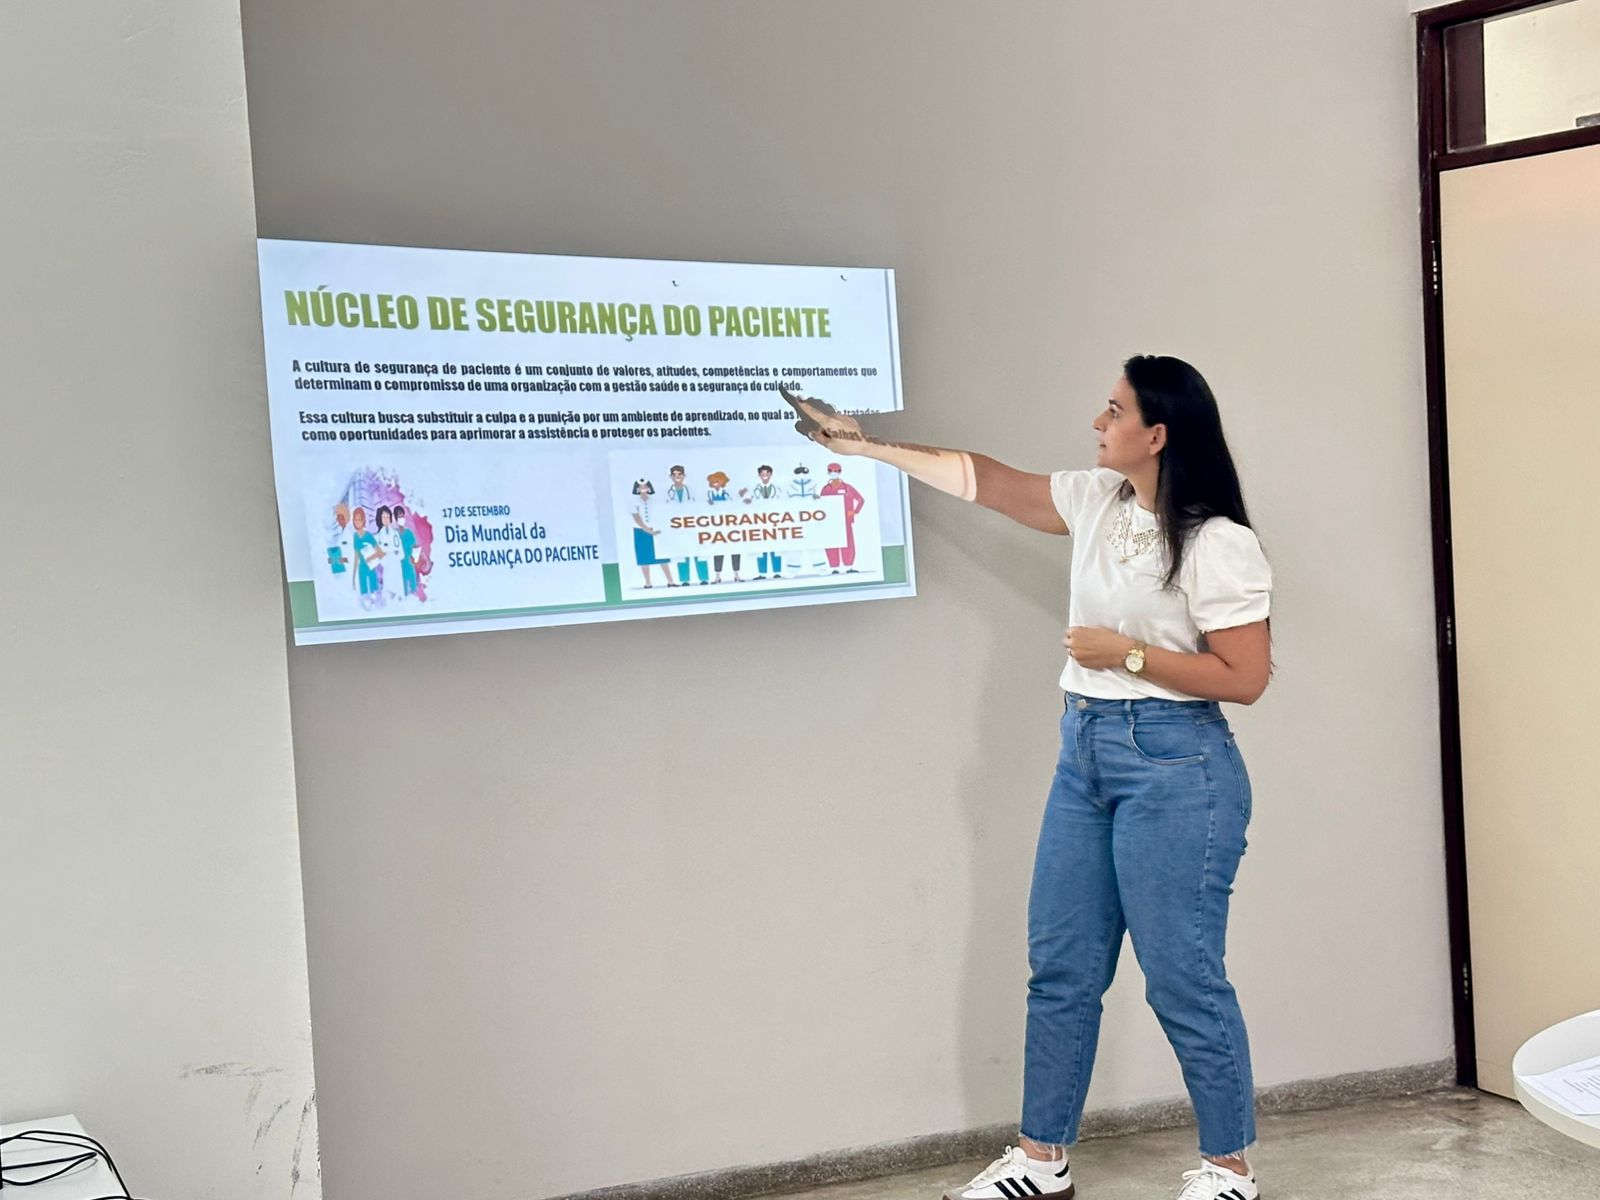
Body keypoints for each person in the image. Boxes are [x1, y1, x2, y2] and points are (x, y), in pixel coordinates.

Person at [785, 358, 1272, 1200]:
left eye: (1114, 411)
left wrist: (1126, 653)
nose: (1098, 422)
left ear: (1157, 435)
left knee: (1183, 978)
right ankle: (1042, 1161)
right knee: (1061, 970)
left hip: (1177, 767)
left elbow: (1245, 677)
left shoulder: (1218, 542)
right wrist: (864, 449)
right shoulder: (1096, 500)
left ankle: (1229, 1169)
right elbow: (987, 480)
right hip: (1084, 754)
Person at [665, 464, 709, 585]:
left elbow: (700, 507)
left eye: (679, 474)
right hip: (677, 528)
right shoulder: (668, 493)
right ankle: (684, 580)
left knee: (699, 552)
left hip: (693, 526)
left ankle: (704, 578)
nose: (677, 476)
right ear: (671, 477)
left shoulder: (692, 491)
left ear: (684, 476)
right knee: (682, 553)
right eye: (674, 474)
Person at [818, 462, 866, 573]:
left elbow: (860, 500)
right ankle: (834, 567)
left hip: (845, 521)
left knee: (848, 544)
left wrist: (854, 512)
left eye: (836, 471)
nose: (833, 473)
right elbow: (822, 504)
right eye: (831, 471)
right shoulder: (826, 489)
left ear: (840, 472)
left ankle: (849, 566)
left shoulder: (847, 488)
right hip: (831, 522)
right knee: (832, 543)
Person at [630, 479, 675, 588]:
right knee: (644, 558)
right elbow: (637, 519)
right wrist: (648, 530)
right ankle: (648, 582)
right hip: (641, 532)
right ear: (637, 489)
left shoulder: (655, 501)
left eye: (645, 486)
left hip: (656, 529)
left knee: (662, 556)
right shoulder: (633, 502)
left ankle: (670, 581)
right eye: (640, 487)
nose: (643, 489)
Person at [746, 464, 783, 578]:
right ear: (759, 475)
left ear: (770, 475)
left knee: (775, 549)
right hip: (760, 522)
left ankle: (777, 572)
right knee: (762, 548)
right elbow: (750, 503)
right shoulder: (755, 489)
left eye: (767, 474)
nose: (765, 476)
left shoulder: (777, 488)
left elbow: (782, 502)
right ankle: (762, 573)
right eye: (762, 474)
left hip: (775, 522)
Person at [705, 471, 741, 583]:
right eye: (714, 481)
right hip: (716, 527)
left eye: (718, 481)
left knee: (735, 550)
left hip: (729, 526)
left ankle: (736, 574)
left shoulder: (727, 495)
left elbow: (733, 507)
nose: (716, 483)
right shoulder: (709, 495)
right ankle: (718, 575)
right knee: (718, 551)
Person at [350, 505, 382, 606]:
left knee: (374, 595)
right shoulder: (355, 536)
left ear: (363, 520)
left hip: (371, 568)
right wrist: (353, 577)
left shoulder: (368, 536)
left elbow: (380, 552)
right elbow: (356, 557)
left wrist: (370, 558)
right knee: (364, 597)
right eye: (355, 520)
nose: (357, 522)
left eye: (359, 519)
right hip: (362, 569)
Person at [375, 505, 402, 605]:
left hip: (396, 564)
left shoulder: (395, 534)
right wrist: (388, 555)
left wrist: (394, 554)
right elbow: (379, 554)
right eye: (384, 517)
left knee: (398, 589)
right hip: (387, 566)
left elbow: (400, 551)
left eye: (388, 517)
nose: (386, 519)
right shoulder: (378, 536)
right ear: (380, 519)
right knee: (389, 589)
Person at [393, 505, 421, 598]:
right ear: (396, 518)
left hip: (409, 563)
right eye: (399, 516)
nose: (401, 518)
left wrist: (415, 558)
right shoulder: (394, 534)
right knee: (402, 588)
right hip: (399, 565)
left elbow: (415, 547)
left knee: (413, 588)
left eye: (402, 516)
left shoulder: (409, 533)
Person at [327, 502, 355, 587]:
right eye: (338, 517)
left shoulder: (351, 533)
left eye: (342, 517)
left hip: (351, 574)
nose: (340, 520)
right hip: (340, 575)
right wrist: (331, 560)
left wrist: (345, 560)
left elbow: (355, 554)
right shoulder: (337, 536)